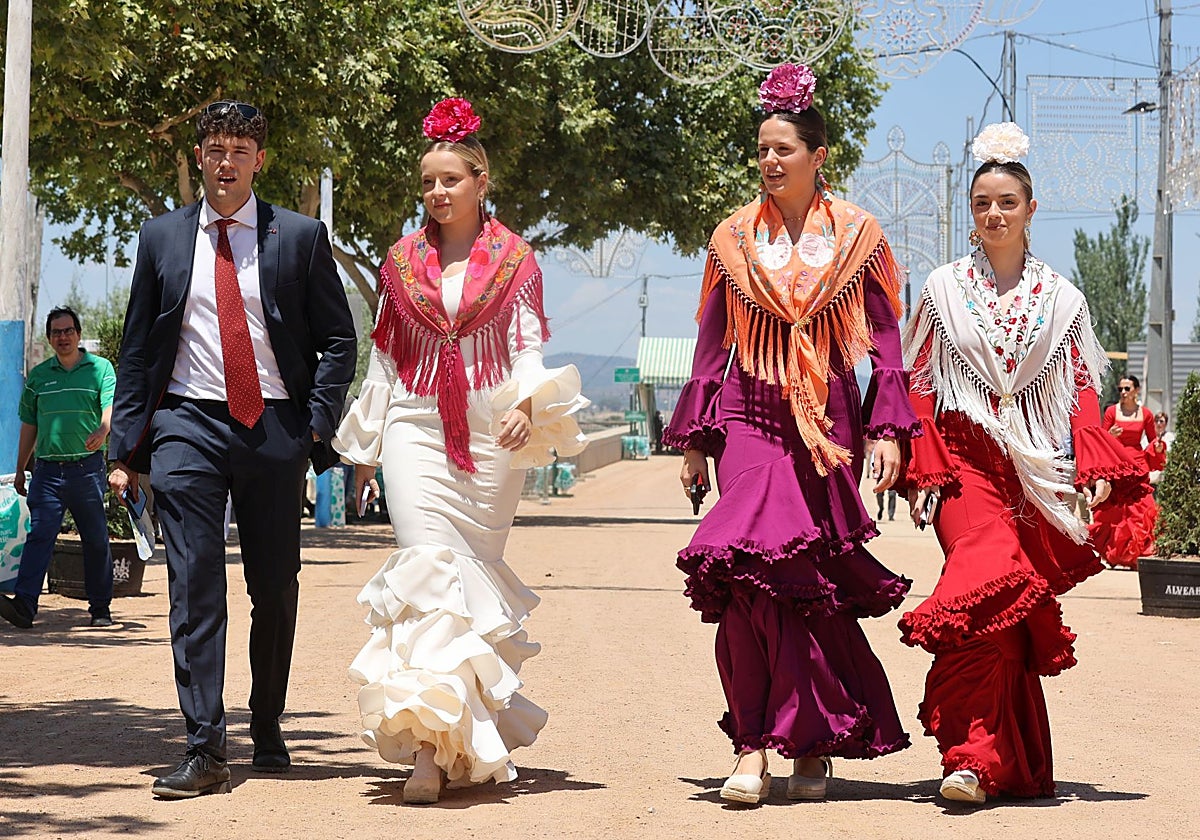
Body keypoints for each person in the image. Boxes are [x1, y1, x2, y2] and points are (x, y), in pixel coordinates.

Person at [664, 64, 916, 806]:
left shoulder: (860, 237)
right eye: (762, 150)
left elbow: (886, 339)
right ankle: (752, 747)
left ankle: (810, 739)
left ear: (817, 155)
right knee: (748, 571)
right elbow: (711, 343)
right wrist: (696, 439)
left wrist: (888, 429)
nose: (770, 161)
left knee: (807, 583)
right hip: (748, 412)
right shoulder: (732, 238)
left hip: (828, 422)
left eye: (784, 149)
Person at [333, 98, 589, 805]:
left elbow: (528, 345)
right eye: (428, 182)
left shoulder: (516, 260)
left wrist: (527, 405)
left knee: (469, 592)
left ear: (481, 182)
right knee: (426, 575)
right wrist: (368, 441)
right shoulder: (400, 262)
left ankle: (458, 740)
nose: (438, 192)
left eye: (450, 179)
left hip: (491, 434)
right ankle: (426, 751)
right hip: (415, 426)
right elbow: (386, 356)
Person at [107, 101, 357, 799]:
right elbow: (137, 349)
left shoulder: (299, 236)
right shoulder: (161, 238)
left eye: (239, 151)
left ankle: (267, 721)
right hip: (186, 424)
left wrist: (315, 425)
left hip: (273, 427)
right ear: (199, 157)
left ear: (259, 161)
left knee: (273, 587)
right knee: (194, 585)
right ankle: (204, 747)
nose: (226, 162)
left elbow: (339, 339)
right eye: (215, 149)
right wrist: (125, 450)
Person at [899, 122, 1138, 805]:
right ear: (971, 212)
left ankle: (994, 762)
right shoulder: (943, 289)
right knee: (984, 580)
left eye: (1007, 202)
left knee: (1004, 613)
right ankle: (972, 756)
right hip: (964, 463)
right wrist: (923, 466)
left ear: (1031, 209)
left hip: (1031, 473)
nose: (994, 214)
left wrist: (1092, 461)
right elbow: (919, 382)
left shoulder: (1063, 299)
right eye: (982, 204)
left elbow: (1081, 388)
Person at [0, 307, 115, 630]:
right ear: (49, 338)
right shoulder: (39, 376)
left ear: (78, 334)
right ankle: (24, 606)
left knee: (95, 539)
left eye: (68, 331)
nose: (62, 337)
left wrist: (103, 429)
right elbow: (29, 425)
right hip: (47, 473)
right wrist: (20, 468)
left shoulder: (100, 369)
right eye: (56, 332)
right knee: (39, 538)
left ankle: (100, 607)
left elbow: (110, 406)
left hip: (86, 470)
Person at [1088, 375, 1159, 568]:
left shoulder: (1146, 414)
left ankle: (1137, 555)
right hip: (1117, 466)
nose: (1123, 393)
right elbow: (1101, 438)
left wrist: (1159, 448)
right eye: (1120, 389)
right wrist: (1110, 435)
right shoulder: (1111, 411)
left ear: (1136, 390)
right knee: (1115, 513)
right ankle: (1116, 554)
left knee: (1142, 510)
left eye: (1127, 389)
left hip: (1137, 466)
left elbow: (1152, 440)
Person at [1146, 410, 1171, 485]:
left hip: (1164, 475)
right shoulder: (1147, 438)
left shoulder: (1170, 437)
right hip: (1151, 476)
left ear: (1166, 424)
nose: (1158, 423)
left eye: (1161, 421)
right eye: (1156, 421)